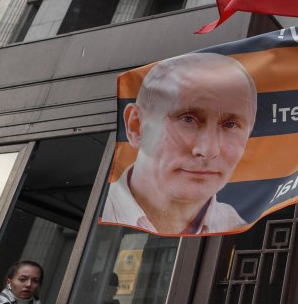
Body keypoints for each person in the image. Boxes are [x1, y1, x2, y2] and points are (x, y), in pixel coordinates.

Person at [101, 52, 256, 235]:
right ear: (136, 126)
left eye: (231, 125)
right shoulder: (97, 209)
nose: (207, 150)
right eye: (188, 119)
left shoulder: (240, 231)